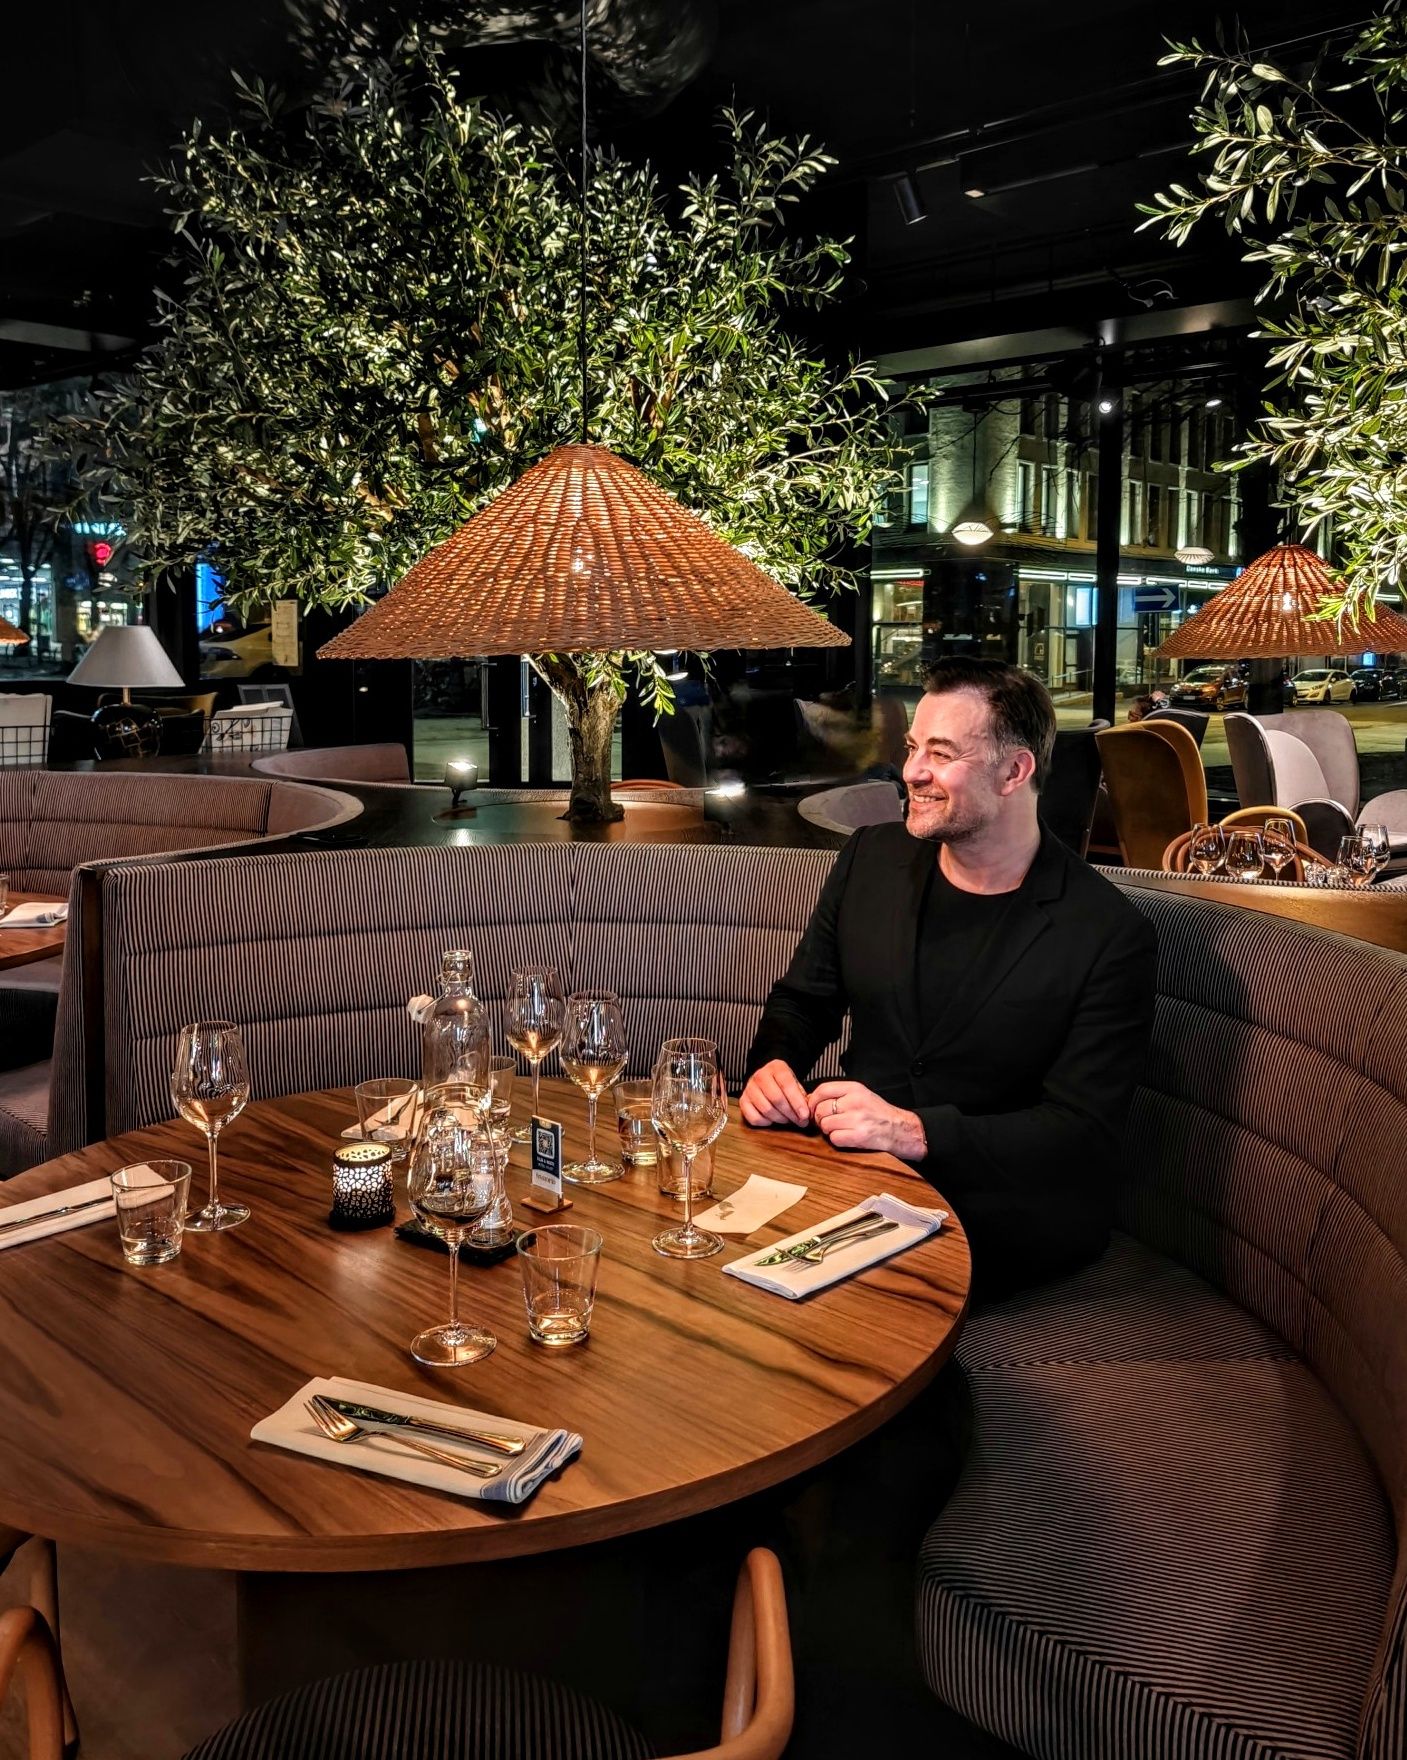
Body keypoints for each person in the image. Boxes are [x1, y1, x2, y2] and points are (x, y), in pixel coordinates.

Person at [742, 656, 1158, 1301]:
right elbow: (804, 1002)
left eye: (941, 753)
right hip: (855, 1172)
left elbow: (1081, 1130)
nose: (912, 771)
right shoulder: (870, 858)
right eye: (913, 748)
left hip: (999, 1211)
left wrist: (913, 1131)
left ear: (1014, 772)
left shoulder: (1107, 932)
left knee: (813, 1302)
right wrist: (774, 1066)